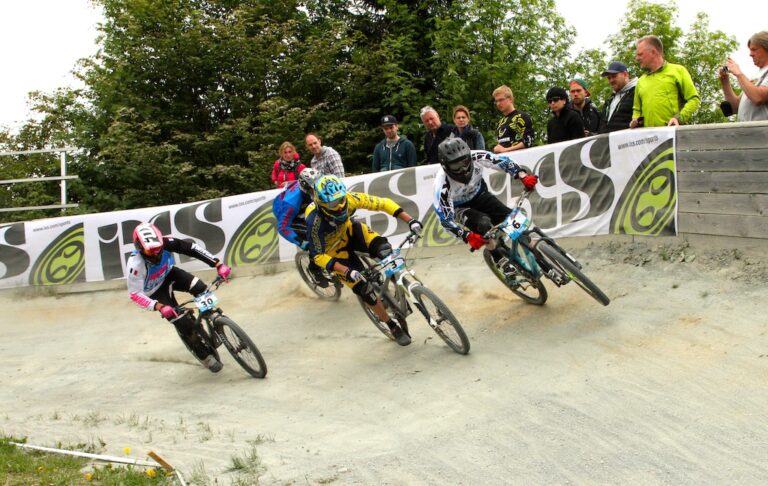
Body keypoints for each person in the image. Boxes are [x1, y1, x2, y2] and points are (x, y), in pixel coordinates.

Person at [305, 174, 423, 346]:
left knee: (385, 250)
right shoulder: (314, 221)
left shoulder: (350, 199)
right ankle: (392, 326)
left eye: (341, 200)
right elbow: (317, 256)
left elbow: (382, 203)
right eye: (332, 204)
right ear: (321, 203)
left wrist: (410, 220)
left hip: (350, 232)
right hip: (334, 253)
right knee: (364, 289)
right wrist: (346, 271)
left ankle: (396, 282)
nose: (339, 206)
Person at [127, 222, 232, 373]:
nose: (156, 253)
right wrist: (159, 307)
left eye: (158, 248)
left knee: (200, 288)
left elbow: (192, 249)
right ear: (139, 248)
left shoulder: (167, 243)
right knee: (181, 322)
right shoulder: (135, 266)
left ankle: (211, 315)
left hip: (170, 275)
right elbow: (135, 294)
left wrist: (218, 264)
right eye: (150, 251)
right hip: (155, 292)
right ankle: (204, 356)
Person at [432, 137, 538, 276]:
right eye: (456, 166)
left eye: (464, 162)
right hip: (461, 207)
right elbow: (445, 220)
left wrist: (522, 175)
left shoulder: (476, 155)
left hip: (481, 195)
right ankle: (498, 258)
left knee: (513, 219)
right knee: (483, 225)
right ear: (445, 166)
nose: (463, 168)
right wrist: (467, 236)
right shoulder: (441, 184)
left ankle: (536, 250)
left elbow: (504, 161)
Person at [272, 167, 329, 285]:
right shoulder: (291, 204)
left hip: (301, 203)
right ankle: (315, 271)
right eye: (313, 189)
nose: (317, 190)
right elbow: (283, 228)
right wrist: (301, 242)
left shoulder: (308, 184)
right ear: (306, 188)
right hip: (292, 217)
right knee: (314, 238)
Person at [630, 35, 700, 128]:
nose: (637, 58)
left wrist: (678, 118)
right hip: (648, 136)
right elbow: (636, 109)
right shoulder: (641, 81)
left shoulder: (678, 71)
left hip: (673, 133)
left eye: (640, 54)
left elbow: (694, 99)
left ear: (653, 52)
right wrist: (635, 120)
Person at [719, 31, 768, 122]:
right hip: (747, 129)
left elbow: (758, 97)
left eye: (754, 49)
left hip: (763, 130)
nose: (750, 54)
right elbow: (735, 107)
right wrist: (725, 81)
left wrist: (739, 73)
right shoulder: (756, 75)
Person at [492, 85, 535, 153]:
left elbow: (528, 141)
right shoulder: (501, 122)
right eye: (496, 101)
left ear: (510, 99)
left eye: (501, 100)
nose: (498, 104)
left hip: (520, 158)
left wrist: (505, 150)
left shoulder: (522, 116)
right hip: (503, 158)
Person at [597, 61, 637, 133]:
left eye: (614, 76)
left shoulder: (636, 93)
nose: (611, 80)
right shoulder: (610, 100)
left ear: (625, 74)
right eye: (609, 78)